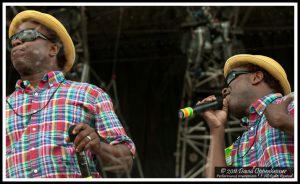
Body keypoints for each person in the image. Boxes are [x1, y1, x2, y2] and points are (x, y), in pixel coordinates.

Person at [6, 10, 136, 178]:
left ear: (53, 49)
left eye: (28, 34)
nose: (17, 40)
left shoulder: (89, 94)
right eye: (13, 40)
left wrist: (98, 146)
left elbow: (125, 163)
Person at [198, 54, 294, 177]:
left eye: (230, 79)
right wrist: (217, 129)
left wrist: (285, 121)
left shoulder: (290, 104)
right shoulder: (238, 146)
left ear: (256, 77)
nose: (224, 90)